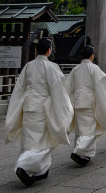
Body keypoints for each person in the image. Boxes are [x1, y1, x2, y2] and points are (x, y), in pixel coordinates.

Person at [5, 37, 73, 187]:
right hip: (43, 108)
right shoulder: (52, 67)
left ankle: (40, 170)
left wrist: (16, 107)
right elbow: (58, 90)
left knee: (30, 140)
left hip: (28, 105)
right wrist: (65, 108)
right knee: (43, 141)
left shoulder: (28, 66)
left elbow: (19, 89)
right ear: (49, 50)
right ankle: (23, 165)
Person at [65, 45, 106, 167]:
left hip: (78, 102)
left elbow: (68, 88)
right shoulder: (95, 69)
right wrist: (105, 104)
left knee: (80, 130)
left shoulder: (75, 69)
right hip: (89, 102)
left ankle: (84, 154)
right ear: (92, 55)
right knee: (90, 130)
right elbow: (101, 88)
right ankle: (79, 151)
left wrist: (68, 104)